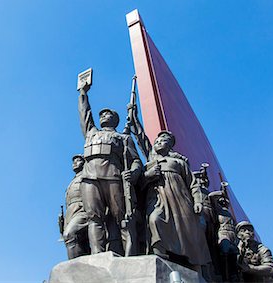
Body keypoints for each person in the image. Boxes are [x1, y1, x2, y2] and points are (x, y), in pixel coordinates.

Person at [78, 83, 142, 256]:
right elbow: (85, 114)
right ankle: (98, 256)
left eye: (108, 113)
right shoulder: (91, 133)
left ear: (115, 119)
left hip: (113, 178)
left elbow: (136, 160)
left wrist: (133, 173)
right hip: (90, 179)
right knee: (94, 218)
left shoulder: (123, 138)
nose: (103, 115)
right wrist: (83, 93)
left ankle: (130, 257)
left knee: (123, 219)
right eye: (102, 114)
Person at [144, 131, 211, 270]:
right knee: (154, 219)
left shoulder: (179, 163)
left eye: (162, 141)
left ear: (169, 145)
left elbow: (193, 184)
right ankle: (159, 255)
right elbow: (139, 185)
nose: (158, 143)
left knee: (188, 231)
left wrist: (198, 201)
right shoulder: (150, 164)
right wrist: (148, 176)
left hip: (180, 201)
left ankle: (195, 265)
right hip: (159, 200)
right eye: (156, 142)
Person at [62, 154, 90, 259]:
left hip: (82, 210)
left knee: (69, 234)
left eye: (78, 160)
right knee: (80, 243)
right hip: (71, 213)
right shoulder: (72, 181)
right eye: (74, 161)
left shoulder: (87, 176)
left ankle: (73, 268)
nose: (74, 163)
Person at [209, 188, 239, 282]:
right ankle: (225, 277)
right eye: (222, 201)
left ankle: (233, 276)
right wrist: (222, 193)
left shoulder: (230, 214)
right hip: (223, 233)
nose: (224, 203)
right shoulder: (217, 210)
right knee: (224, 253)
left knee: (235, 256)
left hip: (233, 236)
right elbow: (211, 197)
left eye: (226, 201)